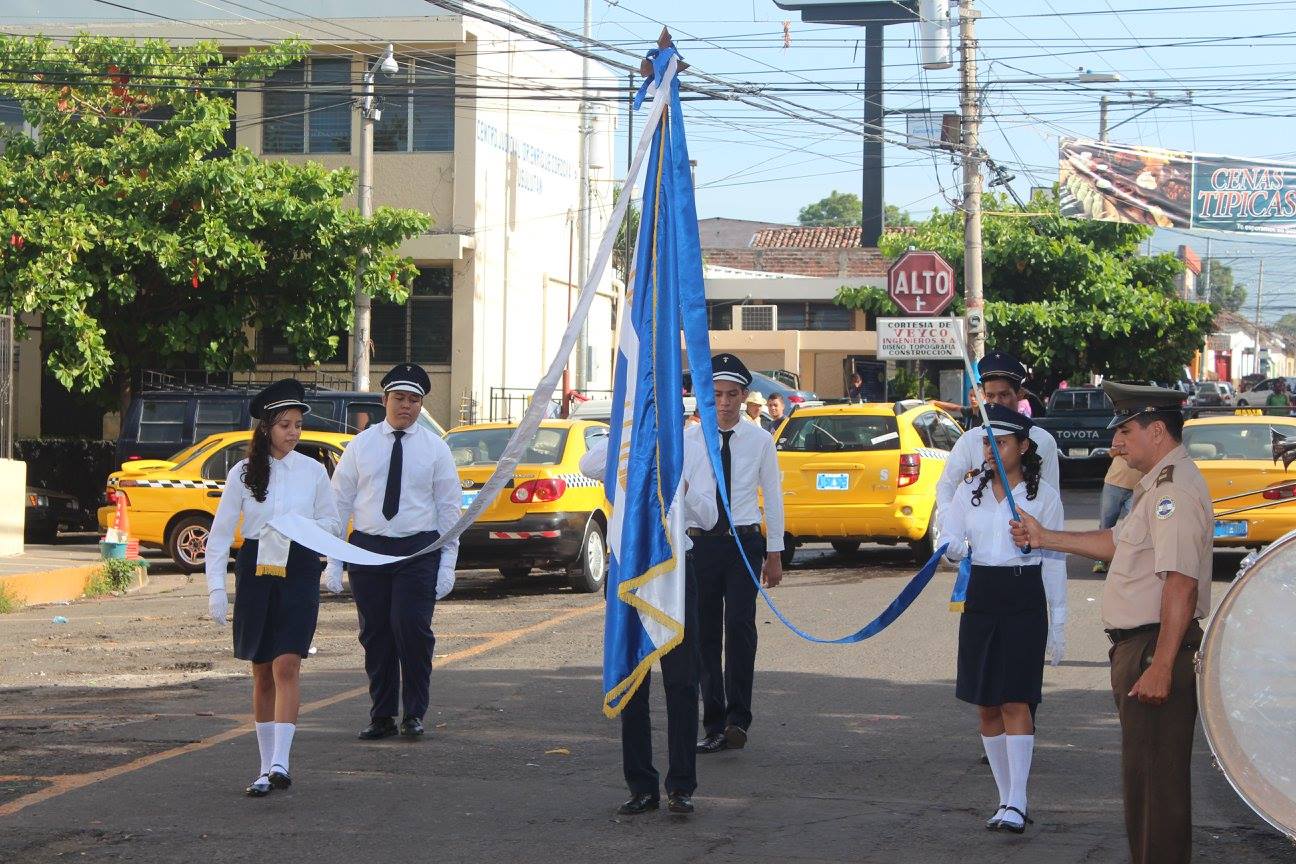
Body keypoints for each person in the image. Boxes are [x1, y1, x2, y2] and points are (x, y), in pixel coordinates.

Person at [1010, 381, 1208, 864]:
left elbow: (1180, 584)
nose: (1116, 443)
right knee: (1144, 783)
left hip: (1155, 649)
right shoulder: (1157, 485)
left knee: (1157, 788)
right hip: (1141, 648)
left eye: (1124, 431)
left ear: (1157, 431)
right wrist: (1044, 538)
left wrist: (1160, 666)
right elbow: (1119, 543)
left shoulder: (1173, 493)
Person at [205, 379, 341, 797]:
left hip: (297, 568)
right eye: (285, 425)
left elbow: (332, 524)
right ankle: (265, 768)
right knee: (262, 669)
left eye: (298, 424)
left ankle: (282, 761)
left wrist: (308, 534)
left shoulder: (314, 470)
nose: (293, 432)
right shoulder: (243, 473)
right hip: (257, 570)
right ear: (266, 428)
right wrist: (215, 589)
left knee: (287, 664)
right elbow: (221, 533)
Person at [937, 403, 1067, 834]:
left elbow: (1054, 561)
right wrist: (952, 548)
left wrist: (1060, 621)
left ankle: (1019, 799)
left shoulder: (1042, 497)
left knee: (1015, 699)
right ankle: (1004, 797)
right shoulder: (968, 489)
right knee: (986, 704)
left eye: (1002, 442)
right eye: (986, 441)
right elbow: (953, 538)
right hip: (982, 595)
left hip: (1022, 595)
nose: (990, 449)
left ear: (1023, 446)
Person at [578, 417, 717, 816]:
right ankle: (641, 785)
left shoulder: (693, 447)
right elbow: (588, 465)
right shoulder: (623, 443)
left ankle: (681, 785)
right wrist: (635, 436)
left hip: (673, 569)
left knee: (682, 680)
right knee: (633, 680)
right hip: (629, 565)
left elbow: (708, 516)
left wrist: (683, 488)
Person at [325, 364, 460, 741]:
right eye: (399, 398)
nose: (407, 406)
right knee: (376, 634)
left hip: (418, 550)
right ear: (385, 400)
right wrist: (334, 559)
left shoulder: (435, 449)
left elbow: (449, 508)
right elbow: (340, 502)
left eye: (414, 400)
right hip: (368, 548)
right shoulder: (361, 445)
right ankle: (382, 714)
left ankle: (414, 712)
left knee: (412, 629)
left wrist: (448, 561)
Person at [695, 353, 785, 755]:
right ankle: (713, 722)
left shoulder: (760, 440)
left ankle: (738, 719)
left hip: (744, 542)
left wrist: (775, 552)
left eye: (733, 394)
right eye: (717, 394)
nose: (725, 402)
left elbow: (775, 497)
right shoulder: (690, 439)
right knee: (706, 634)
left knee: (741, 628)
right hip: (702, 543)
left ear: (745, 396)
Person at [935, 352, 1060, 517]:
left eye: (1004, 395)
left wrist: (1040, 537)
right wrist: (950, 528)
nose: (997, 402)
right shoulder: (970, 439)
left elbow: (1051, 498)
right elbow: (946, 485)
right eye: (990, 396)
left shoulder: (1042, 440)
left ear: (1019, 394)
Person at [1093, 445, 1143, 574]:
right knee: (1106, 524)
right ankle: (1101, 560)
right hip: (1114, 483)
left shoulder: (1150, 436)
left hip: (1138, 487)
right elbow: (1112, 452)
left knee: (1135, 525)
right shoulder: (1123, 433)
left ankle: (1132, 562)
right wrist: (1126, 449)